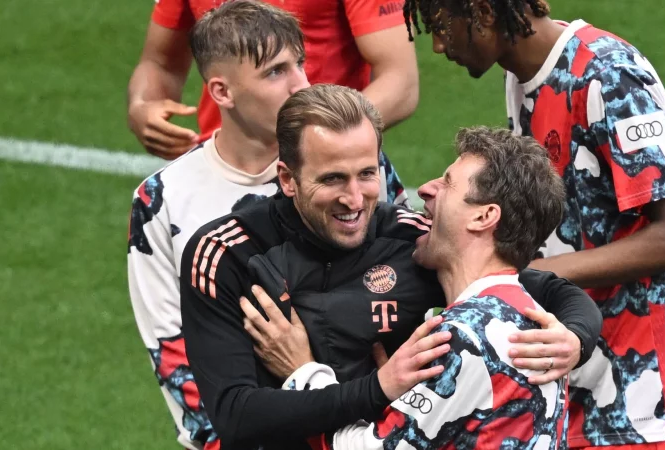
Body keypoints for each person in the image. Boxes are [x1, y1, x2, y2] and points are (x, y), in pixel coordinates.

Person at [180, 83, 603, 449]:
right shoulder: (225, 254)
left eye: (367, 174)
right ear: (288, 178)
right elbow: (236, 417)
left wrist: (575, 338)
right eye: (332, 179)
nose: (354, 198)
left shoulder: (410, 240)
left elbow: (532, 285)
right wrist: (377, 390)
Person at [404, 1, 665, 448]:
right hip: (574, 368)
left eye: (444, 26)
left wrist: (528, 277)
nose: (437, 45)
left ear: (485, 13)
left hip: (638, 393)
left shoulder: (609, 73)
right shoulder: (522, 75)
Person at [127, 3, 410, 449]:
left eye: (301, 63)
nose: (302, 84)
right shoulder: (163, 199)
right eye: (276, 72)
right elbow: (171, 348)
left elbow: (403, 291)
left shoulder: (357, 172)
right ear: (222, 92)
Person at [243, 126, 571, 449]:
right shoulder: (536, 325)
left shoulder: (464, 336)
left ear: (483, 217)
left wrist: (303, 372)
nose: (427, 189)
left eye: (447, 182)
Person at [127, 0, 419, 160]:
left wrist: (320, 137)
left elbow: (400, 81)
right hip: (226, 169)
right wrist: (143, 106)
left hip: (323, 174)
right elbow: (160, 63)